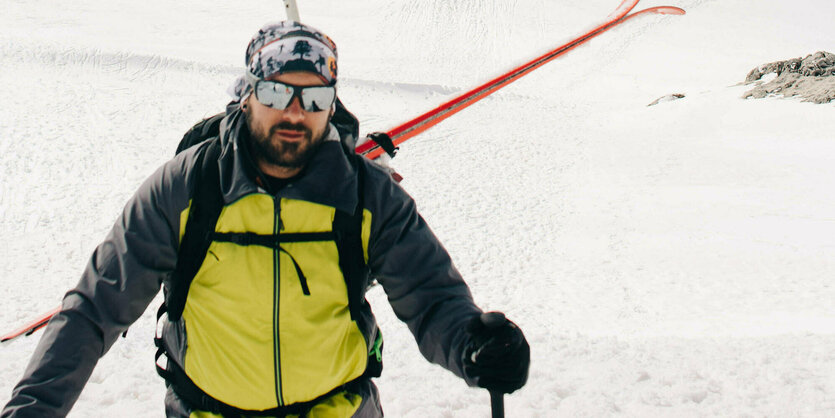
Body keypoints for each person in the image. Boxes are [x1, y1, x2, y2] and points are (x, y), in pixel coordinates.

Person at [2, 21, 529, 417]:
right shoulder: (187, 188)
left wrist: (473, 347)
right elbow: (94, 310)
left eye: (315, 96)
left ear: (331, 105)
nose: (295, 112)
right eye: (277, 91)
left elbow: (433, 297)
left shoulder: (366, 197)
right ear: (248, 94)